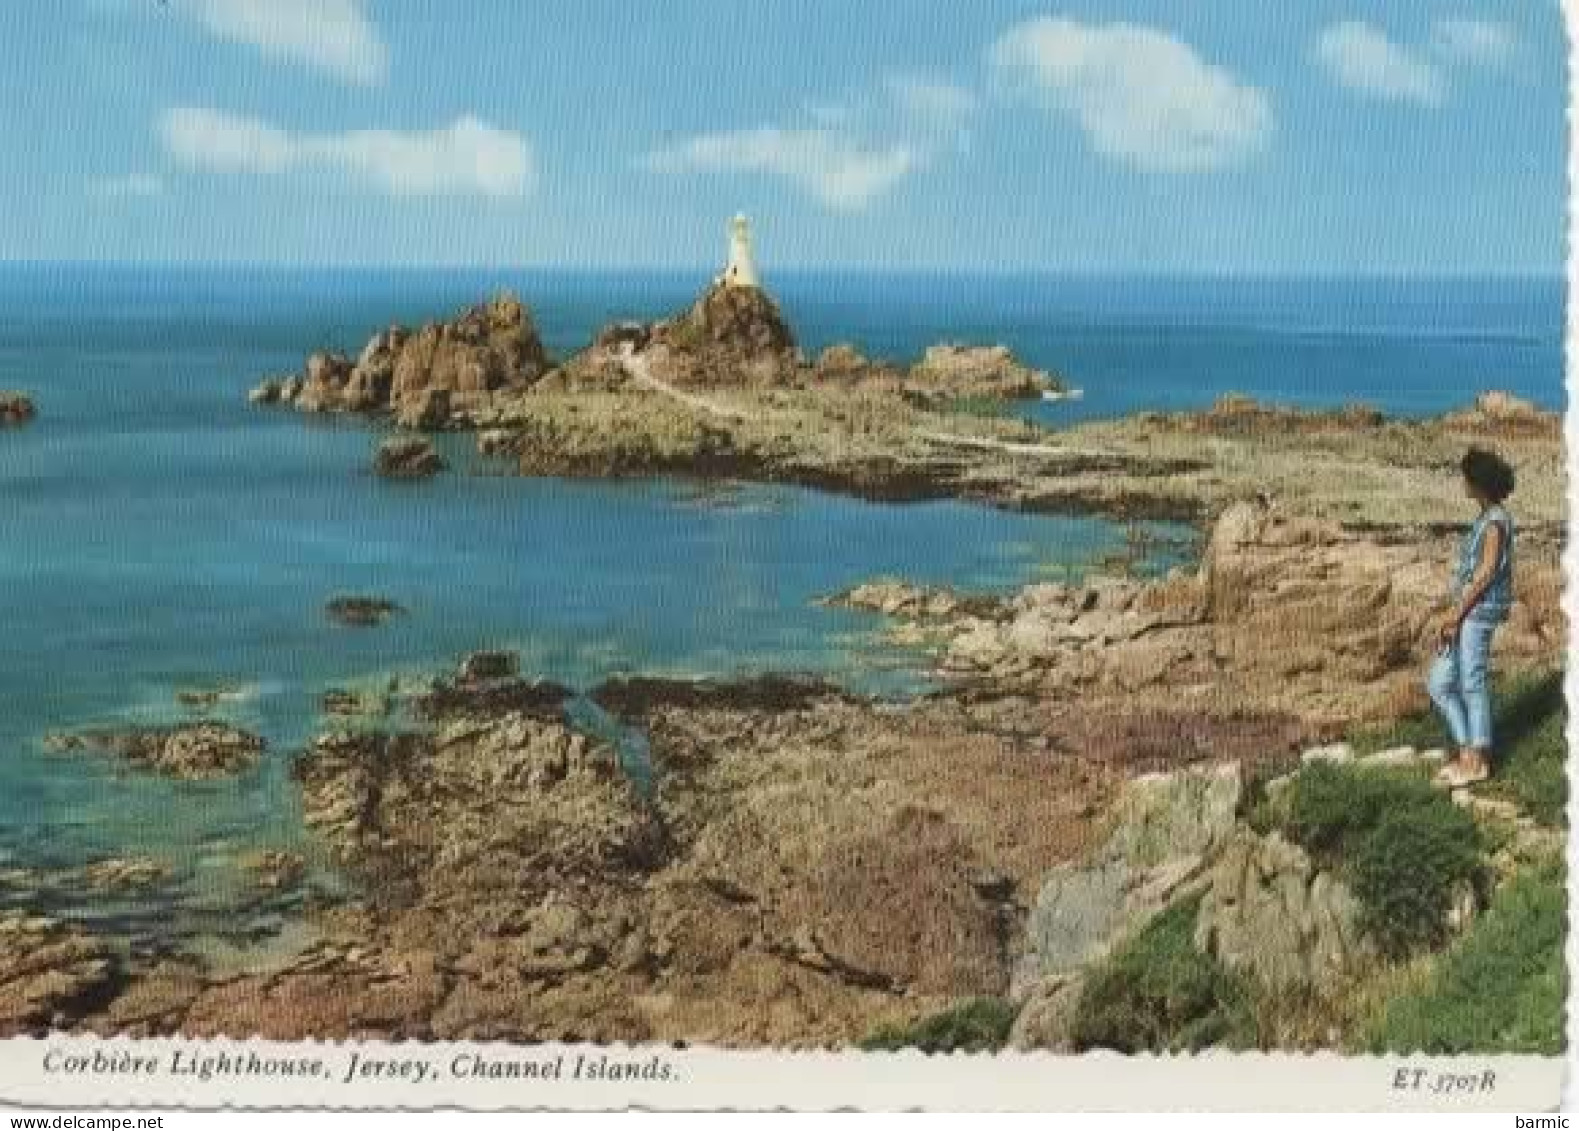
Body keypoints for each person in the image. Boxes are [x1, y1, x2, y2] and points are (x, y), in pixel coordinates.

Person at [1427, 446, 1516, 787]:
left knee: (1472, 683)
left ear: (1478, 482)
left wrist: (1455, 616)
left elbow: (1486, 573)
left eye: (1466, 477)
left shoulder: (1495, 521)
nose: (1462, 483)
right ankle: (1468, 749)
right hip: (1468, 610)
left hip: (1478, 611)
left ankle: (1477, 761)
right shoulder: (1485, 517)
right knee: (1439, 683)